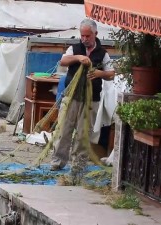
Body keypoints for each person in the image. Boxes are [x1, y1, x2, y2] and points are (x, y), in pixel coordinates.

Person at [50, 18, 115, 181]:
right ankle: (58, 161)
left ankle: (78, 164)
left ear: (95, 34)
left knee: (83, 133)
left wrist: (100, 74)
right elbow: (63, 61)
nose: (84, 39)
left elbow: (111, 73)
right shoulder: (75, 48)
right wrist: (79, 58)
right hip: (72, 96)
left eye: (88, 36)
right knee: (64, 128)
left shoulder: (103, 53)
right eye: (82, 35)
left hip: (91, 99)